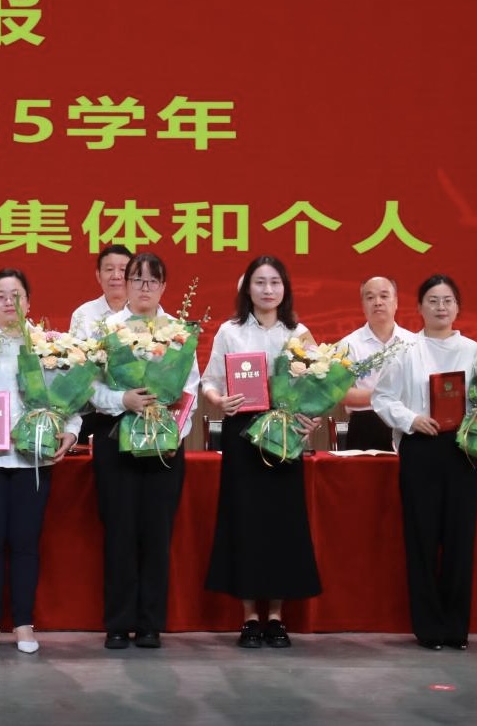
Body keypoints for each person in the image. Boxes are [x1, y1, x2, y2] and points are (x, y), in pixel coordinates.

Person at [0, 269, 80, 655]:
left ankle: (24, 623)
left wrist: (71, 431)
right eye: (2, 296)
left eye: (17, 295)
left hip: (33, 460)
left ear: (29, 301)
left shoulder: (48, 345)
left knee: (26, 543)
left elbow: (70, 396)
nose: (10, 302)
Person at [202, 255, 322, 650]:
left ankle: (276, 618)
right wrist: (220, 400)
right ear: (247, 289)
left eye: (275, 282)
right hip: (242, 433)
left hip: (284, 436)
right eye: (260, 282)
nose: (268, 289)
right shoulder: (230, 331)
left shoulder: (299, 333)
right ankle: (250, 617)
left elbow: (318, 386)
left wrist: (312, 418)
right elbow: (208, 382)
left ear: (285, 288)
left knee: (282, 525)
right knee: (245, 523)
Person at [90, 252, 200, 650]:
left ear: (164, 286)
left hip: (164, 448)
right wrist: (123, 399)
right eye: (137, 279)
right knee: (119, 533)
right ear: (126, 283)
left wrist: (173, 433)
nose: (144, 287)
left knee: (157, 534)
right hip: (115, 441)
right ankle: (118, 623)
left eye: (153, 280)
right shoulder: (108, 330)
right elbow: (90, 388)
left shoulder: (179, 333)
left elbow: (190, 391)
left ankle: (151, 623)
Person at [372, 274, 477, 651]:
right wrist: (411, 419)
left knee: (460, 540)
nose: (440, 307)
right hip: (421, 447)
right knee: (422, 538)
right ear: (418, 307)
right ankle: (429, 627)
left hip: (464, 450)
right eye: (432, 301)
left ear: (458, 307)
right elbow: (383, 398)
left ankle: (456, 627)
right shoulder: (404, 350)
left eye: (447, 300)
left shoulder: (476, 352)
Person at [337, 276, 416, 450]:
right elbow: (342, 394)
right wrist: (386, 395)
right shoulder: (348, 345)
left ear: (396, 302)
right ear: (363, 305)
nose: (377, 302)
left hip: (408, 423)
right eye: (370, 297)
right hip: (366, 425)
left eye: (384, 296)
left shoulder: (414, 342)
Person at [69, 245, 133, 339]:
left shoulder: (146, 312)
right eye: (109, 269)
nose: (116, 276)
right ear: (98, 276)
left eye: (123, 270)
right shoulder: (82, 314)